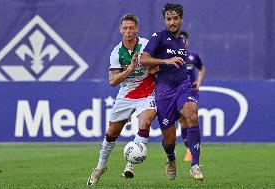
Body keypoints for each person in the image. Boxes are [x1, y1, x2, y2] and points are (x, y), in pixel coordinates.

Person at [87, 14, 157, 186]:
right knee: (112, 133)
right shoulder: (116, 52)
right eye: (125, 28)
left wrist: (154, 67)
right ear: (120, 30)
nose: (128, 31)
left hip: (147, 92)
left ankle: (130, 164)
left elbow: (156, 65)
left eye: (131, 28)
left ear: (137, 29)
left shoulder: (146, 45)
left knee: (146, 122)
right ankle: (100, 167)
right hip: (126, 94)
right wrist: (131, 68)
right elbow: (113, 81)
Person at [140, 3, 204, 181]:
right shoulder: (159, 37)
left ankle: (195, 165)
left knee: (192, 113)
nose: (172, 22)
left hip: (183, 86)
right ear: (164, 20)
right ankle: (171, 158)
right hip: (164, 93)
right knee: (169, 139)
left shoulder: (182, 41)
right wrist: (166, 62)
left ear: (181, 19)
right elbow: (143, 59)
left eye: (175, 18)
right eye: (168, 19)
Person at [179, 31, 206, 162]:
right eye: (180, 39)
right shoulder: (171, 57)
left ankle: (192, 150)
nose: (182, 41)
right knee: (182, 120)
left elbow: (201, 69)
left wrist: (199, 82)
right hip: (177, 92)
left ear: (187, 41)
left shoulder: (193, 57)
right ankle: (188, 146)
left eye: (184, 39)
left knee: (192, 117)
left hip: (191, 92)